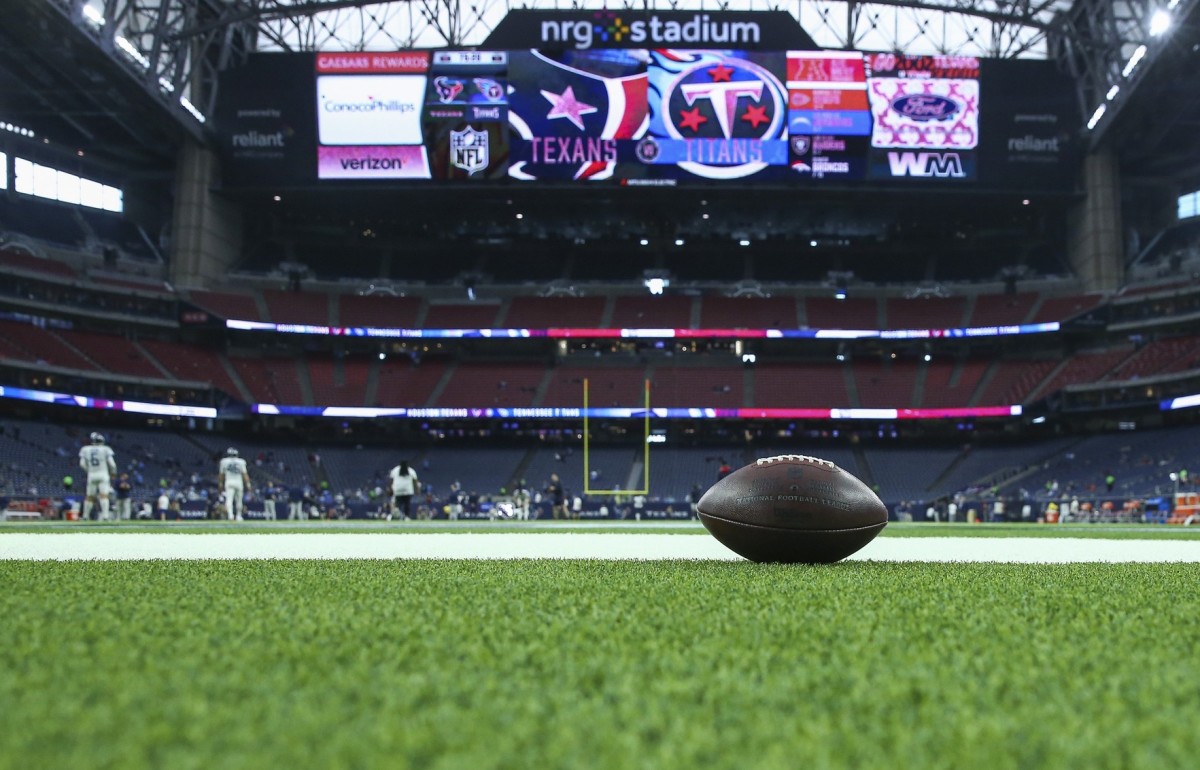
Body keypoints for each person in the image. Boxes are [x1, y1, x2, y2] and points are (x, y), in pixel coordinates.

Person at [78, 432, 117, 521]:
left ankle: (85, 516)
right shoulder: (105, 449)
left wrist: (89, 470)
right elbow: (112, 464)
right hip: (103, 474)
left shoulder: (85, 449)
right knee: (104, 496)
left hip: (92, 474)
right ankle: (105, 516)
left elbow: (82, 464)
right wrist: (113, 473)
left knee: (89, 496)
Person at [218, 447, 251, 521]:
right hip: (238, 482)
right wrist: (248, 484)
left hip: (229, 482)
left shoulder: (224, 461)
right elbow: (244, 474)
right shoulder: (241, 461)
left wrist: (220, 483)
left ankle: (230, 515)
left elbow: (221, 474)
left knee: (229, 500)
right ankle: (239, 516)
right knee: (239, 500)